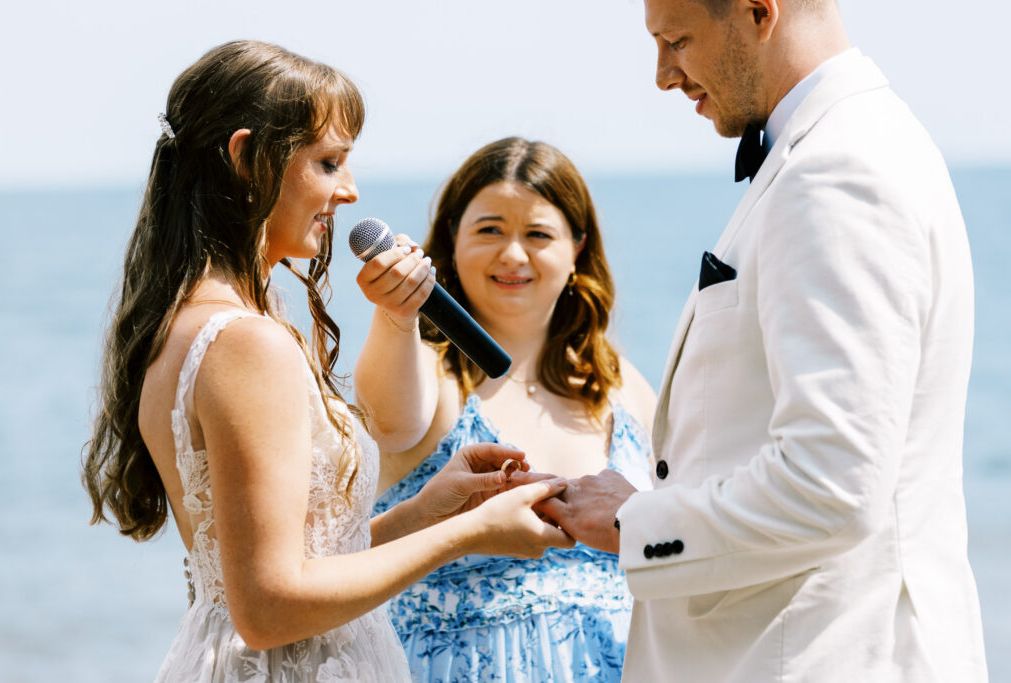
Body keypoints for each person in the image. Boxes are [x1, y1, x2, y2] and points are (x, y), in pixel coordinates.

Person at [81, 41, 574, 682]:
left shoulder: (192, 320)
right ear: (246, 159)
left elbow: (301, 563)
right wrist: (471, 536)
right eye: (329, 162)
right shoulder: (245, 342)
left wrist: (430, 508)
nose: (349, 191)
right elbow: (267, 608)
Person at [535, 1, 989, 681]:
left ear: (757, 11)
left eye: (676, 41)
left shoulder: (837, 172)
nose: (663, 76)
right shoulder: (855, 144)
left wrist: (638, 521)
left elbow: (831, 483)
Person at [352, 136, 657, 681]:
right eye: (490, 230)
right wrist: (395, 314)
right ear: (453, 237)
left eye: (538, 234)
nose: (513, 254)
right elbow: (389, 420)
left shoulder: (622, 386)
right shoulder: (428, 370)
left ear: (577, 247)